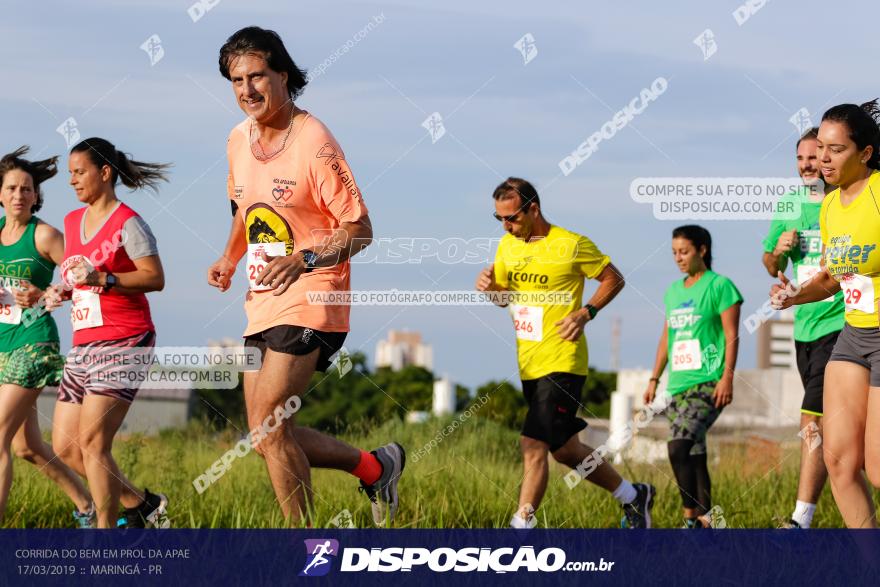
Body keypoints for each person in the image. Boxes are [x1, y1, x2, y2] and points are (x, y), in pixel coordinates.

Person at [207, 26, 403, 526]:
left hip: (315, 293)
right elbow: (244, 210)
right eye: (235, 80)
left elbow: (359, 229)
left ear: (283, 75)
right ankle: (376, 466)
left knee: (270, 425)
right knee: (264, 433)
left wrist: (306, 259)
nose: (246, 90)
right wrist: (229, 258)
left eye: (257, 76)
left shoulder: (314, 140)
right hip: (263, 296)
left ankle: (306, 547)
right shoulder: (237, 138)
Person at [476, 177, 655, 529]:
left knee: (532, 443)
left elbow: (613, 278)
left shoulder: (570, 244)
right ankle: (634, 497)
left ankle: (520, 528)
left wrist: (585, 313)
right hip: (529, 364)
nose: (506, 226)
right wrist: (491, 289)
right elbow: (503, 301)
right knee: (566, 450)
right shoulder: (506, 247)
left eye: (511, 217)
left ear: (533, 209)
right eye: (499, 219)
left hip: (564, 361)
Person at [45, 137, 170, 528]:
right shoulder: (70, 222)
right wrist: (60, 290)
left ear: (104, 173)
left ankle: (104, 539)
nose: (72, 181)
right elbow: (76, 278)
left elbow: (155, 277)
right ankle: (142, 504)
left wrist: (105, 276)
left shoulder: (127, 222)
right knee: (65, 447)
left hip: (126, 339)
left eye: (79, 172)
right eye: (70, 174)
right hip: (83, 344)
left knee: (95, 445)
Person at [771, 100, 880, 528]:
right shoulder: (830, 207)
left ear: (865, 153)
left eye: (835, 150)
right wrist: (794, 295)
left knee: (876, 464)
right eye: (821, 149)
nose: (822, 159)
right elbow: (833, 278)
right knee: (838, 461)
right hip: (853, 336)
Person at [0, 147, 93, 526]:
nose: (19, 195)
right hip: (3, 345)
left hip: (34, 342)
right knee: (25, 447)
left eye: (27, 189)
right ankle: (91, 507)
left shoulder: (45, 235)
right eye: (12, 188)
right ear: (0, 194)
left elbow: (84, 272)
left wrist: (48, 294)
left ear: (36, 195)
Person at [762, 128, 843, 528]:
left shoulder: (841, 201)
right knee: (834, 431)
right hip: (804, 326)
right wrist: (779, 254)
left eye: (815, 157)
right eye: (801, 159)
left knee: (811, 422)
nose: (809, 165)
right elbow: (770, 263)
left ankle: (801, 521)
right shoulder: (790, 202)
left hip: (840, 321)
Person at [644, 225, 741, 528]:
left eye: (684, 251)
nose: (678, 258)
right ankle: (708, 524)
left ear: (702, 250)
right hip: (678, 385)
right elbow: (666, 338)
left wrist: (727, 378)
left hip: (709, 382)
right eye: (674, 252)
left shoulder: (720, 286)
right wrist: (654, 379)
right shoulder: (674, 291)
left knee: (678, 447)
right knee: (696, 452)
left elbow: (732, 334)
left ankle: (689, 519)